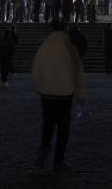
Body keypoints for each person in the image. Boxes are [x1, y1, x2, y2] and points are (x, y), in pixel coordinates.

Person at [31, 21, 86, 172]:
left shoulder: (44, 47)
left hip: (47, 94)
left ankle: (43, 156)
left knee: (48, 126)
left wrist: (37, 87)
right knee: (63, 129)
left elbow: (36, 70)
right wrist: (80, 94)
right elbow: (77, 72)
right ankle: (58, 161)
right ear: (65, 30)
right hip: (65, 95)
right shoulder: (70, 48)